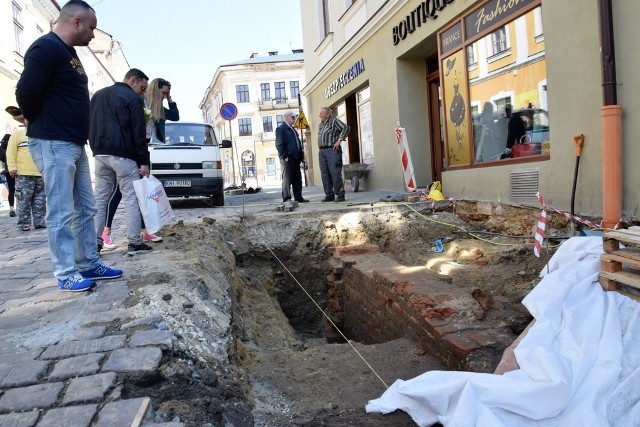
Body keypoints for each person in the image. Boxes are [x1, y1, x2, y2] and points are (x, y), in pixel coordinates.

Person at [15, 0, 122, 292]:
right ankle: (65, 272)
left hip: (72, 143)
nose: (92, 35)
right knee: (61, 212)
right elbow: (26, 90)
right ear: (76, 21)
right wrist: (37, 119)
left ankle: (87, 261)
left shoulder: (68, 53)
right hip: (53, 141)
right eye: (91, 28)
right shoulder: (46, 48)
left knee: (85, 209)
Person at [100, 77, 179, 247]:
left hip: (144, 148)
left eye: (167, 94)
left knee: (143, 191)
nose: (165, 96)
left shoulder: (157, 108)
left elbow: (176, 116)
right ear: (154, 89)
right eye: (163, 92)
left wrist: (170, 99)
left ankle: (145, 232)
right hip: (130, 149)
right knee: (119, 191)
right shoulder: (138, 100)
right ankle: (106, 231)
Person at [89, 68, 153, 256]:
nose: (142, 91)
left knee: (100, 200)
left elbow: (90, 122)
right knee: (131, 198)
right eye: (142, 87)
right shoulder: (133, 99)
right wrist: (143, 161)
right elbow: (138, 133)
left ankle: (94, 243)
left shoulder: (98, 95)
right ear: (133, 80)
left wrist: (94, 147)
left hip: (100, 155)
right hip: (124, 155)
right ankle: (134, 242)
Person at [5, 106, 46, 231]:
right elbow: (10, 152)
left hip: (40, 172)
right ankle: (23, 222)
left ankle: (39, 221)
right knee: (24, 199)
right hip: (23, 173)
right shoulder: (17, 135)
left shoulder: (41, 134)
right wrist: (12, 167)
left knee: (40, 199)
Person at [317, 107, 350, 202]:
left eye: (321, 113)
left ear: (327, 114)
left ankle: (340, 194)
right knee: (325, 174)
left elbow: (346, 128)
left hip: (332, 150)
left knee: (335, 173)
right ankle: (329, 195)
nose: (320, 115)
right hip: (322, 151)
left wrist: (339, 141)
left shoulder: (334, 121)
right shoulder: (321, 125)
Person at [276, 111, 308, 204]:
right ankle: (286, 198)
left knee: (297, 179)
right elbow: (279, 144)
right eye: (293, 117)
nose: (294, 119)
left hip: (296, 158)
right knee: (287, 179)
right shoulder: (281, 129)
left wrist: (301, 156)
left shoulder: (293, 129)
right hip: (288, 158)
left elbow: (297, 143)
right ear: (287, 117)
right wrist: (284, 156)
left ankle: (298, 197)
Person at [0, 133, 16, 217]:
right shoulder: (12, 145)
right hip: (18, 169)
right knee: (21, 189)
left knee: (11, 189)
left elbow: (2, 159)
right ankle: (22, 208)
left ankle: (11, 208)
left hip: (8, 171)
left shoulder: (1, 148)